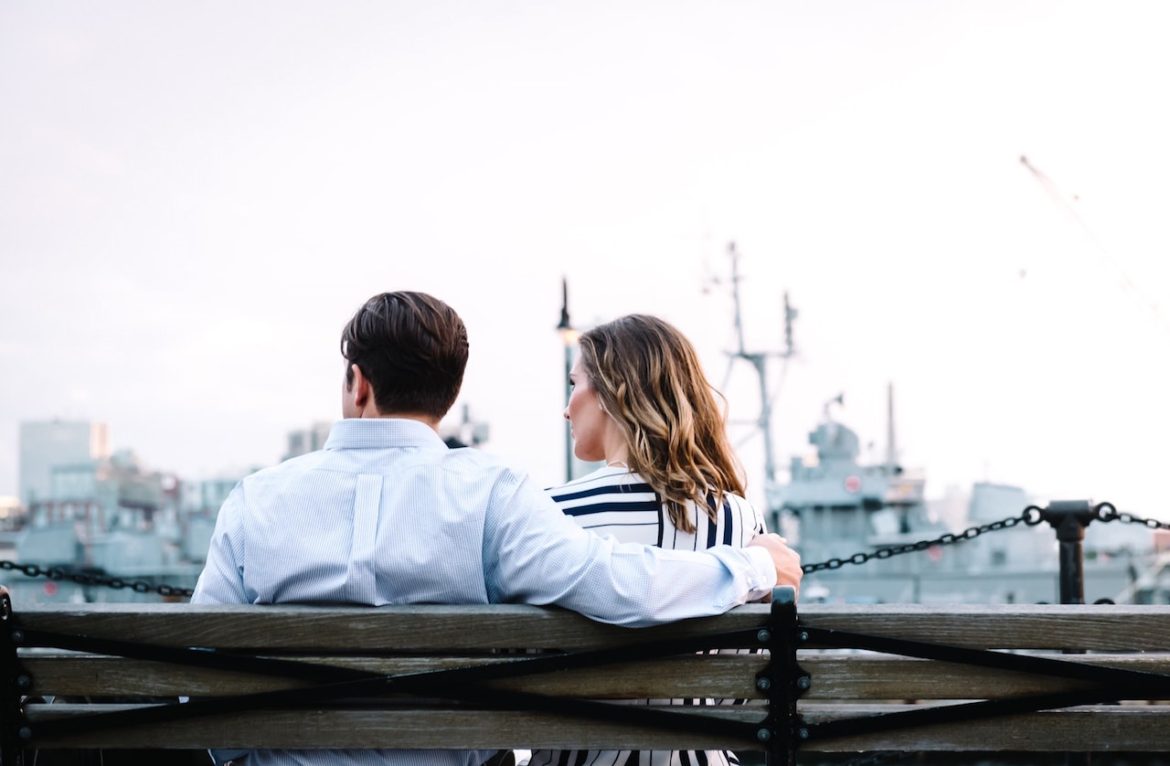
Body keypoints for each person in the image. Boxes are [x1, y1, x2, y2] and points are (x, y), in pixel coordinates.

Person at [191, 292, 803, 766]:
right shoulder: (492, 495)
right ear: (450, 394)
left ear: (358, 382)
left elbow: (196, 676)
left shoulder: (254, 500)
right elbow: (617, 585)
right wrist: (754, 565)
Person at [528, 314, 778, 766]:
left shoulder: (550, 513)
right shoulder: (740, 521)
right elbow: (742, 691)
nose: (566, 409)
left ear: (613, 391)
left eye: (574, 384)